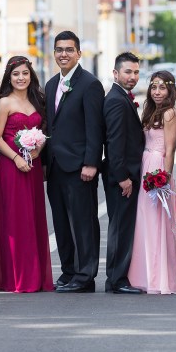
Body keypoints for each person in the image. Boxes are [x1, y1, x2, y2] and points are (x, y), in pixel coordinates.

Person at [44, 31, 105, 293]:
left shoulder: (90, 84)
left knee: (83, 222)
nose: (64, 54)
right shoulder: (49, 85)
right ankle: (68, 271)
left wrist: (91, 162)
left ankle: (85, 275)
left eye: (69, 49)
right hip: (55, 166)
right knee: (60, 222)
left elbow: (95, 128)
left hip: (80, 166)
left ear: (79, 53)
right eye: (59, 49)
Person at [0, 56, 53, 293]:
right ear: (9, 77)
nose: (20, 78)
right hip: (11, 166)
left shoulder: (38, 101)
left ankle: (36, 275)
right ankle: (17, 275)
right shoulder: (4, 103)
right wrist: (16, 158)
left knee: (33, 217)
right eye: (16, 74)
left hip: (33, 167)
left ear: (31, 76)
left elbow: (44, 132)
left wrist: (38, 150)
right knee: (15, 219)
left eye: (25, 73)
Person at [128, 70, 176, 294]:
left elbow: (170, 150)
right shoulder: (151, 111)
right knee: (144, 222)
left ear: (170, 89)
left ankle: (159, 277)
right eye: (154, 87)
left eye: (162, 87)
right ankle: (144, 274)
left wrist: (165, 179)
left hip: (158, 169)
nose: (157, 92)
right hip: (146, 163)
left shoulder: (170, 113)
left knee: (157, 224)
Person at [102, 52, 145, 294]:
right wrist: (122, 178)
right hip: (122, 177)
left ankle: (118, 277)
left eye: (136, 72)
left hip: (125, 174)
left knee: (124, 226)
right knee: (120, 228)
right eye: (128, 72)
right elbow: (114, 142)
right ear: (116, 73)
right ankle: (116, 280)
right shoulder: (116, 100)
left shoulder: (122, 97)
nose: (132, 76)